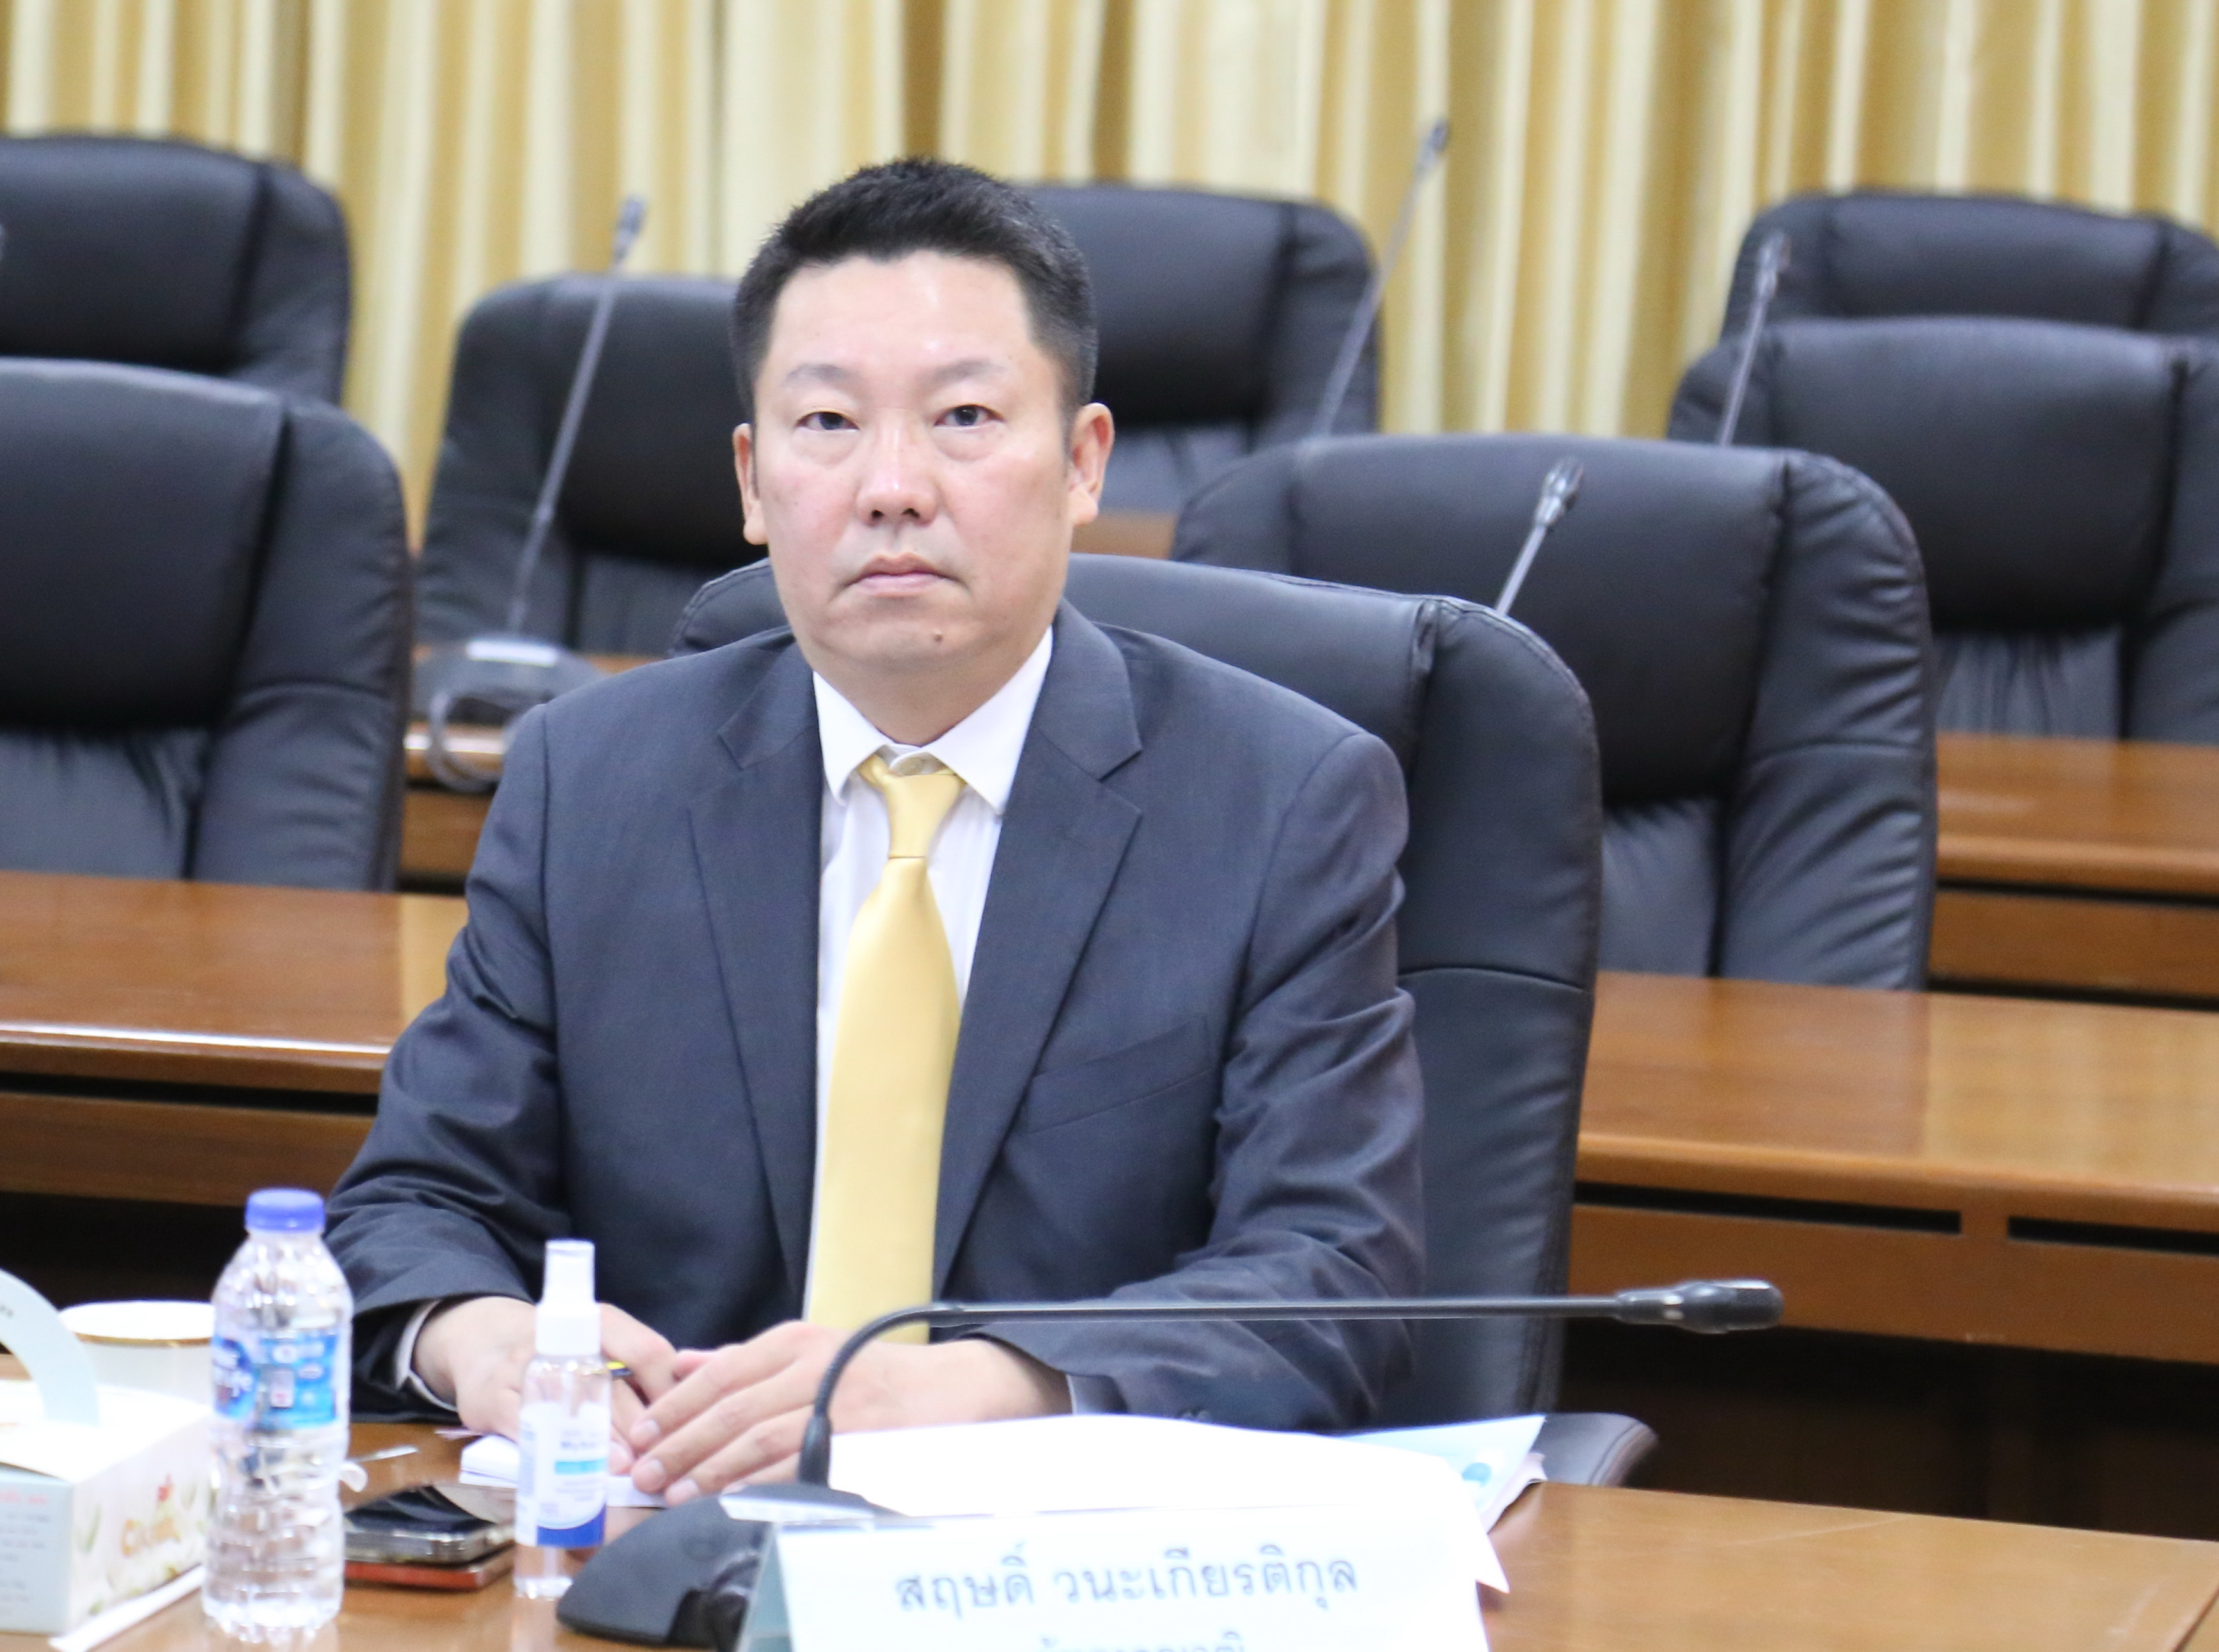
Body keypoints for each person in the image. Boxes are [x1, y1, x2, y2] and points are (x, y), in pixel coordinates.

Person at [327, 157, 1421, 1504]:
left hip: (1055, 1556)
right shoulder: (588, 781)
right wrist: (486, 1342)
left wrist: (970, 1389)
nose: (892, 486)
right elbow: (414, 1205)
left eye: (963, 417)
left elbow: (1332, 1279)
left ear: (1082, 462)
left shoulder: (1279, 799)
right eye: (828, 423)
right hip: (666, 1532)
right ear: (752, 480)